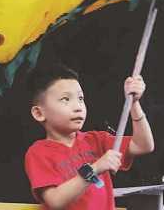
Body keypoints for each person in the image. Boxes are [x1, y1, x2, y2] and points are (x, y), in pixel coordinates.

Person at [24, 65, 155, 209]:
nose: (78, 106)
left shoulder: (96, 140)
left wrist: (134, 104)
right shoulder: (38, 153)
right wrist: (95, 168)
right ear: (38, 113)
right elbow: (55, 201)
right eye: (65, 99)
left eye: (80, 98)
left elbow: (143, 145)